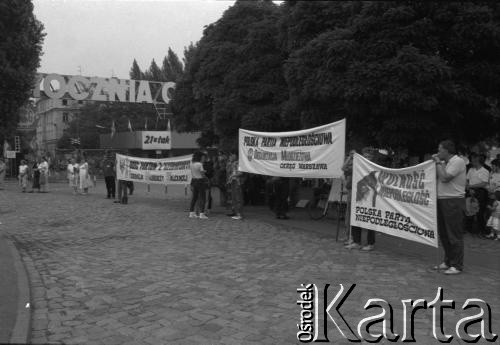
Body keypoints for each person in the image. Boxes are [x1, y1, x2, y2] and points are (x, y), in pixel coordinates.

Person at [432, 140, 466, 275]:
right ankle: (448, 261)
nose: (438, 152)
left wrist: (438, 163)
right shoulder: (444, 163)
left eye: (440, 150)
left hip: (454, 200)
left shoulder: (458, 161)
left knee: (454, 234)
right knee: (444, 233)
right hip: (442, 199)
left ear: (447, 150)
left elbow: (445, 178)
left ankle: (457, 265)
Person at [345, 147, 377, 251]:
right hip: (358, 196)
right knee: (356, 218)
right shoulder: (358, 166)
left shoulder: (375, 167)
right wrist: (350, 158)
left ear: (372, 158)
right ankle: (356, 242)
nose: (367, 158)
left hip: (371, 198)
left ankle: (370, 243)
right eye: (365, 156)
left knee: (370, 220)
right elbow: (344, 169)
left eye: (369, 156)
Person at [466, 153, 490, 237]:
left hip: (481, 192)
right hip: (471, 191)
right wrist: (469, 188)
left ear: (477, 161)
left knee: (480, 211)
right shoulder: (470, 170)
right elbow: (467, 180)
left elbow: (484, 183)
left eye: (473, 160)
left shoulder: (485, 171)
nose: (471, 161)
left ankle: (482, 230)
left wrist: (471, 186)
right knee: (469, 211)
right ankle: (469, 229)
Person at [189, 151, 208, 219]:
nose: (203, 158)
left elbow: (194, 172)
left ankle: (191, 213)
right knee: (203, 198)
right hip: (200, 181)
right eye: (202, 157)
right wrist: (206, 177)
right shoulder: (200, 164)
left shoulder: (191, 163)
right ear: (200, 157)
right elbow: (202, 175)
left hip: (194, 181)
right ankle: (202, 214)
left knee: (194, 197)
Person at [227, 152, 244, 220]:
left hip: (237, 182)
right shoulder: (231, 163)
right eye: (230, 156)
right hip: (233, 181)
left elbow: (241, 172)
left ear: (235, 156)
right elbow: (229, 172)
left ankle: (239, 214)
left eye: (231, 156)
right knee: (233, 198)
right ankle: (235, 212)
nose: (230, 157)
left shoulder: (238, 163)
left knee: (238, 198)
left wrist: (233, 175)